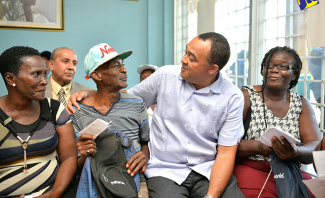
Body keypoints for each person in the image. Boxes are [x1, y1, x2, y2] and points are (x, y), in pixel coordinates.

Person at [67, 32, 246, 198]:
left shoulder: (232, 97)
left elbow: (226, 153)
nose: (183, 60)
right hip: (165, 170)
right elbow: (124, 98)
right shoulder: (165, 76)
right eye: (185, 52)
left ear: (212, 68)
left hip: (207, 169)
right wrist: (91, 94)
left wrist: (211, 196)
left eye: (192, 59)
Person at [234, 46, 321, 197]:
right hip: (251, 169)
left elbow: (315, 145)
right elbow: (223, 143)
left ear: (294, 75)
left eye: (283, 67)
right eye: (270, 65)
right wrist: (259, 147)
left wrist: (296, 152)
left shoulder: (301, 103)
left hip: (289, 171)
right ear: (263, 70)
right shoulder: (246, 96)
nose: (274, 70)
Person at [71, 43, 150, 198]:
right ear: (97, 75)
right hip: (94, 181)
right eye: (115, 65)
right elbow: (75, 163)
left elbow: (146, 142)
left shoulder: (137, 104)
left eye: (123, 64)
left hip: (132, 178)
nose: (124, 70)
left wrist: (145, 156)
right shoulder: (77, 111)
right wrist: (84, 154)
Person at [0, 46, 77, 197]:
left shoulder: (54, 109)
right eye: (36, 74)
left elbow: (69, 157)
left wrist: (55, 192)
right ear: (10, 78)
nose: (44, 81)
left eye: (45, 74)